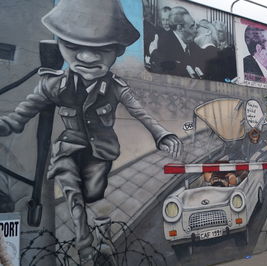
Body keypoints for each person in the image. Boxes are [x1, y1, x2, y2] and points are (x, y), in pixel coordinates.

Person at [0, 0, 182, 264]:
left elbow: (140, 112)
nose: (86, 57)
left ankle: (101, 230)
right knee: (73, 198)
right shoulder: (54, 85)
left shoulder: (116, 87)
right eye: (73, 47)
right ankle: (85, 249)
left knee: (94, 197)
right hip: (68, 150)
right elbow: (20, 116)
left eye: (102, 49)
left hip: (101, 156)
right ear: (60, 44)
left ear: (117, 50)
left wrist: (162, 134)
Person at [150, 6, 201, 78]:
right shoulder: (165, 44)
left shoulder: (192, 45)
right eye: (192, 26)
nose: (196, 30)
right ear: (179, 28)